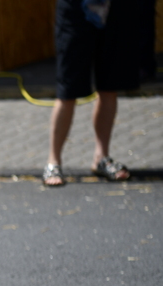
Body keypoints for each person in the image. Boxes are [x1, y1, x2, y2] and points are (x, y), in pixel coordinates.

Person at [43, 0, 139, 186]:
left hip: (114, 9)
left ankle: (101, 158)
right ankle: (53, 162)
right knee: (67, 91)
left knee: (109, 87)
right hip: (75, 10)